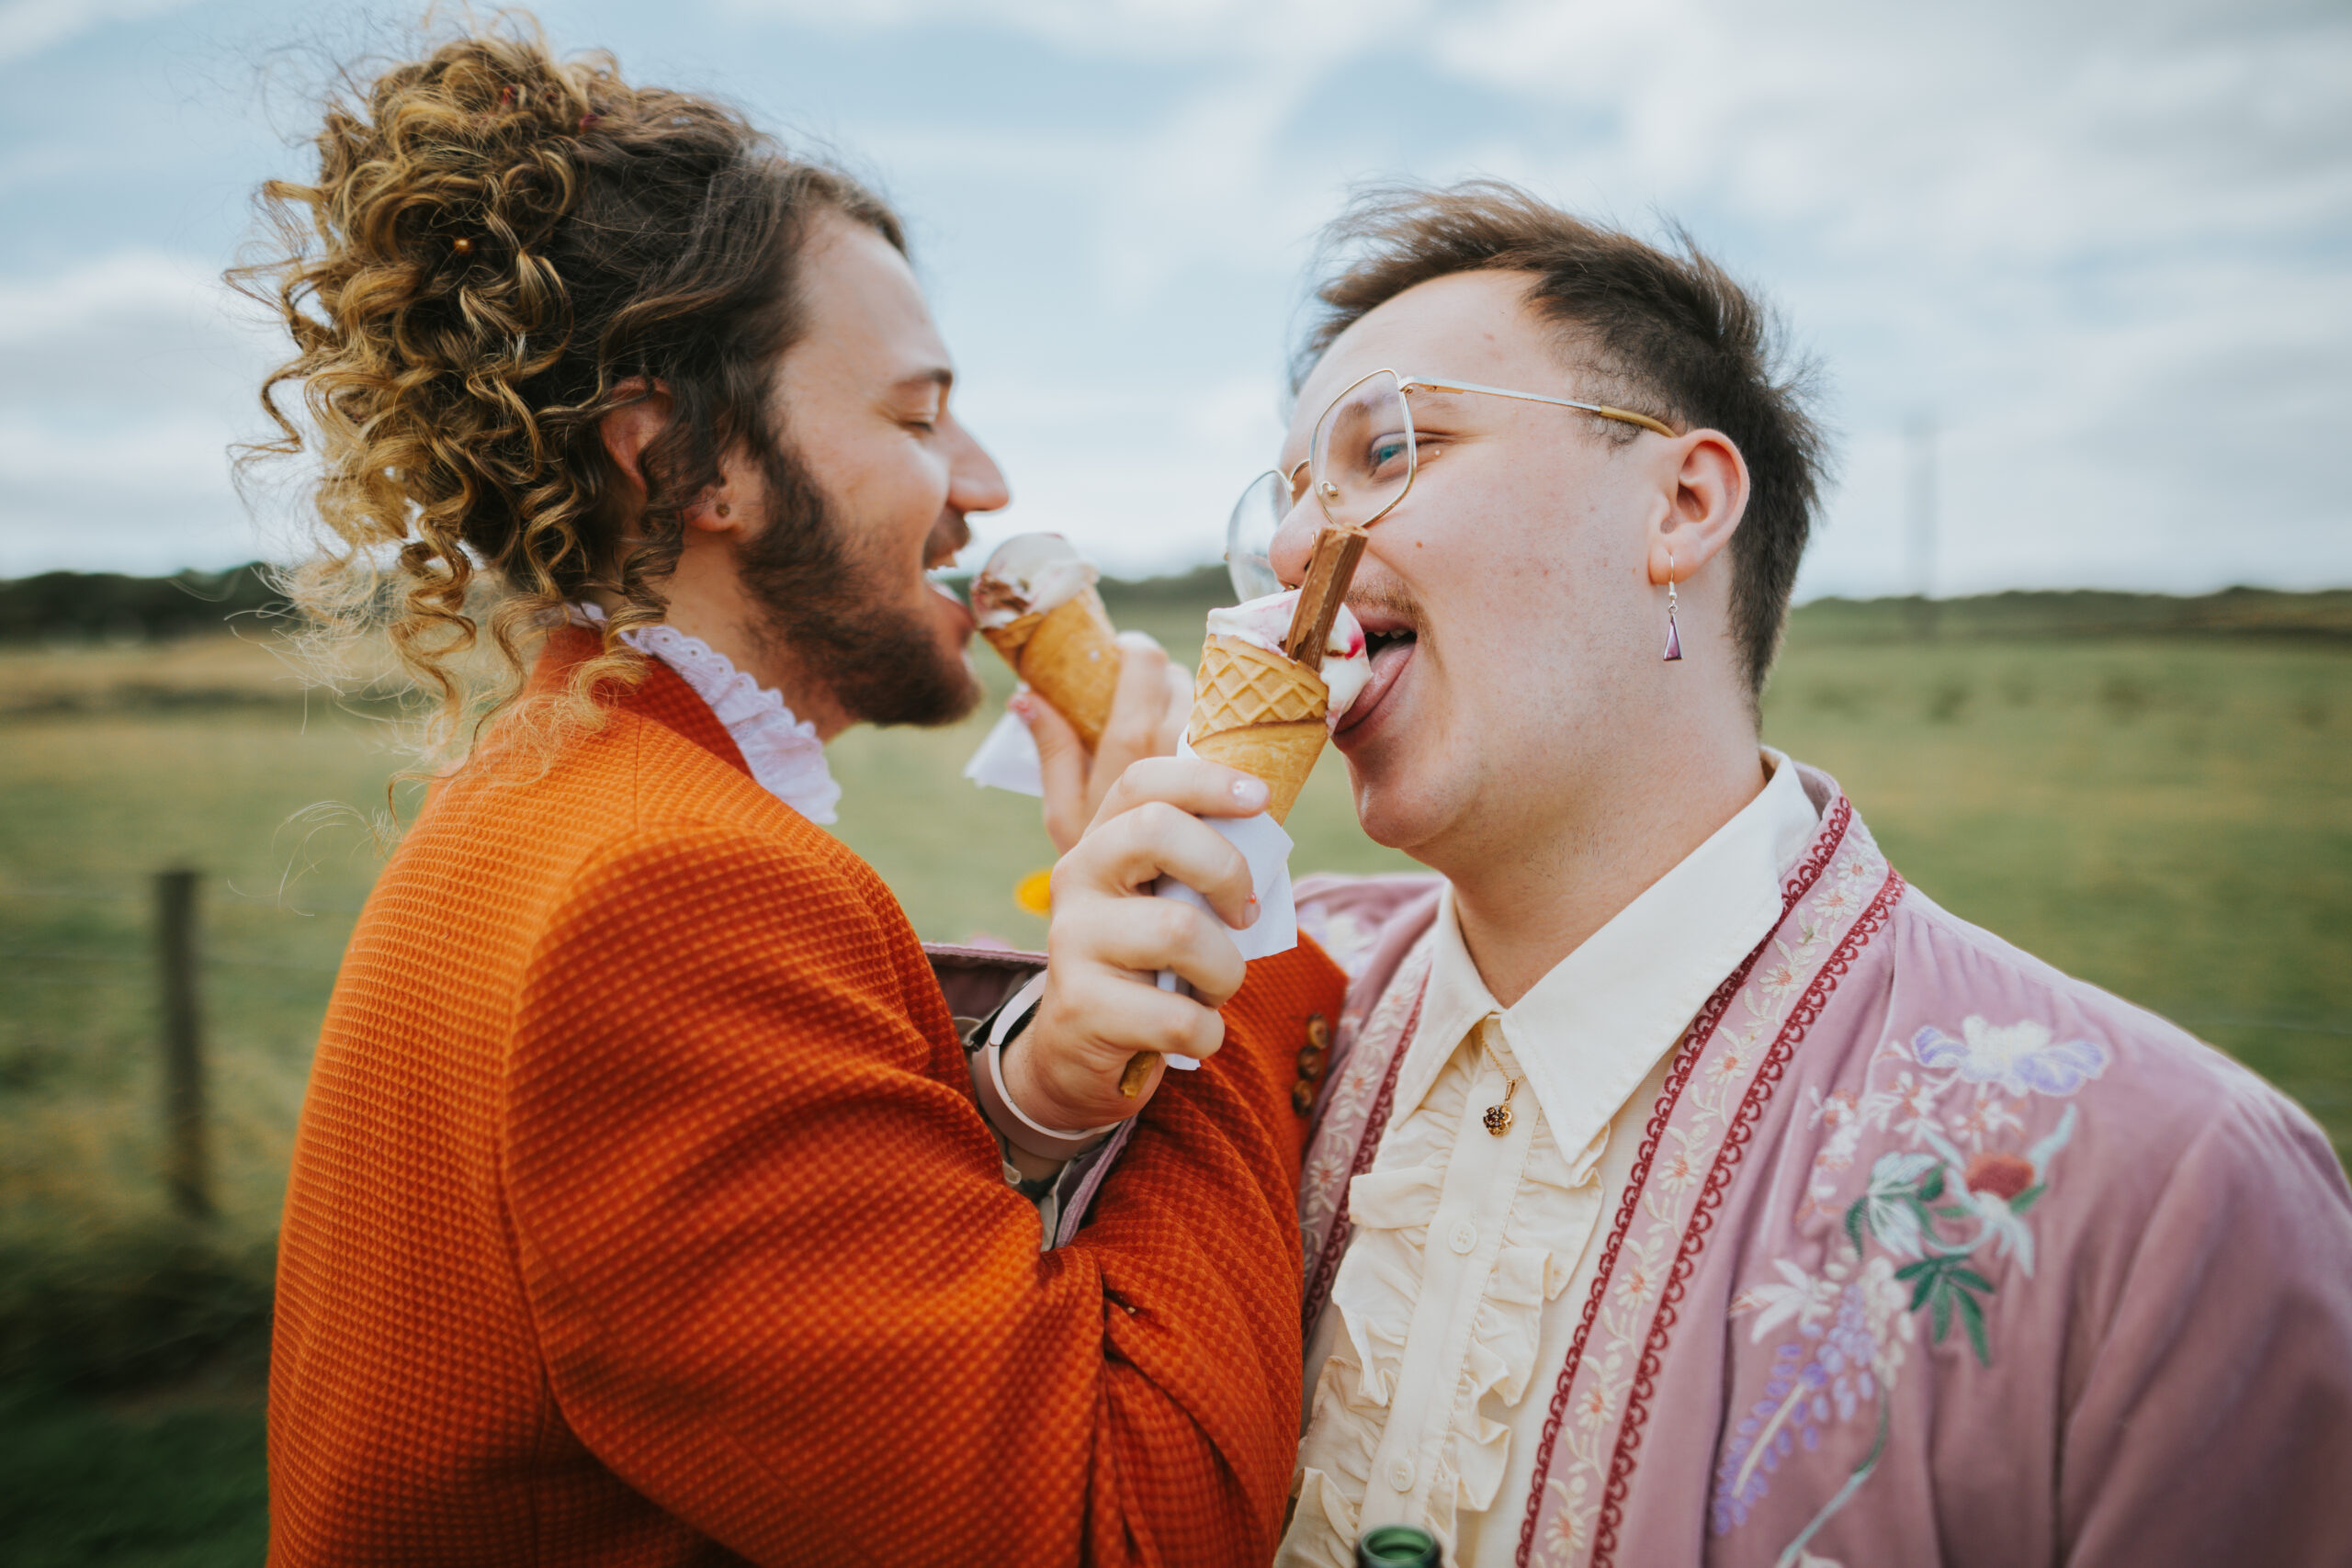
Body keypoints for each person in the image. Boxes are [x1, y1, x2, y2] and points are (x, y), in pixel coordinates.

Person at [244, 22, 1345, 1566]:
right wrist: (1223, 937)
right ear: (689, 463)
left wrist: (1038, 1089)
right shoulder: (669, 885)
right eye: (913, 416)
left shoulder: (565, 791)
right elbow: (1122, 1525)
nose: (986, 480)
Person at [1259, 183, 2352, 1566]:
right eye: (1292, 493)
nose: (1299, 550)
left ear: (1684, 500)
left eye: (1390, 448)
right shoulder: (1239, 1015)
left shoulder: (2176, 1202)